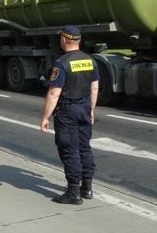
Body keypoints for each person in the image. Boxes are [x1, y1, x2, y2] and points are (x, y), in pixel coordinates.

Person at [40, 25, 99, 205]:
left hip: (67, 110)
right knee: (84, 147)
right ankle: (87, 188)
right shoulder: (91, 61)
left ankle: (73, 192)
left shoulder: (61, 63)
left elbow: (53, 93)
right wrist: (91, 110)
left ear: (64, 40)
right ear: (78, 40)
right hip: (84, 108)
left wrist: (45, 117)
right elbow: (94, 87)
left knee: (69, 149)